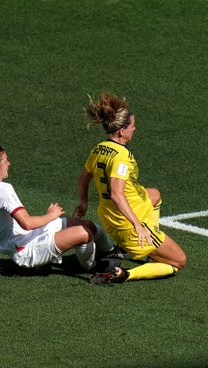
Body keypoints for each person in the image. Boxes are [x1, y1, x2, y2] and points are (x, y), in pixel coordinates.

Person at [74, 92, 187, 284]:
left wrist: (83, 203)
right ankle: (124, 274)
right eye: (132, 126)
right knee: (178, 261)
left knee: (154, 195)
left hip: (108, 215)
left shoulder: (99, 148)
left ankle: (140, 243)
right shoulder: (122, 158)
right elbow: (117, 194)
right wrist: (138, 226)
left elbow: (83, 179)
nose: (134, 129)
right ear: (121, 131)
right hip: (127, 223)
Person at [0, 144, 114, 272]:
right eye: (6, 161)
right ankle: (92, 268)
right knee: (83, 233)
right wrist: (52, 214)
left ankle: (110, 251)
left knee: (88, 226)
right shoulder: (3, 189)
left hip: (29, 236)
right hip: (27, 250)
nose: (9, 164)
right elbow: (27, 223)